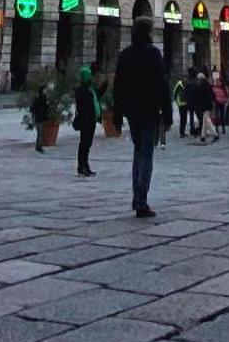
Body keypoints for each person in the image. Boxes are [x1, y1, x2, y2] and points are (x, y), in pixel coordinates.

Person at [113, 15, 173, 217]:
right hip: (149, 111)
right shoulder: (154, 54)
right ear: (147, 32)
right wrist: (168, 113)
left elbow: (118, 86)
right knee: (147, 154)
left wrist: (117, 114)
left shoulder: (125, 55)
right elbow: (163, 85)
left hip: (132, 112)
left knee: (138, 152)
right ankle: (141, 200)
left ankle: (136, 196)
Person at [73, 65, 99, 177]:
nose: (91, 78)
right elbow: (84, 106)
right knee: (84, 144)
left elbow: (98, 95)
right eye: (89, 76)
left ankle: (85, 165)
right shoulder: (82, 90)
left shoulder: (89, 89)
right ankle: (81, 166)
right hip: (86, 120)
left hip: (91, 119)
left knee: (87, 144)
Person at [30, 84, 53, 155]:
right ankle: (38, 146)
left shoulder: (44, 98)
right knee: (40, 132)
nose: (46, 91)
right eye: (45, 90)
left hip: (41, 117)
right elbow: (33, 108)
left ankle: (39, 145)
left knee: (41, 132)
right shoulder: (40, 99)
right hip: (39, 117)